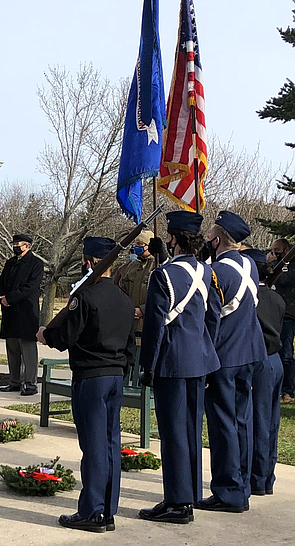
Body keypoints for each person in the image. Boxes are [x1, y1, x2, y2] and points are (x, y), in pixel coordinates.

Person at [37, 237, 135, 533]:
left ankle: (92, 512)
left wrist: (46, 336)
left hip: (91, 377)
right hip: (115, 376)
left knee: (93, 445)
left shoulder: (85, 296)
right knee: (110, 443)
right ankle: (108, 510)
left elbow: (66, 336)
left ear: (89, 262)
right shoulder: (124, 298)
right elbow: (130, 344)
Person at [137, 211, 221, 524]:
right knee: (190, 431)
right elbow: (212, 318)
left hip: (171, 362)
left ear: (173, 238)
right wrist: (204, 350)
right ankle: (188, 494)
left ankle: (177, 502)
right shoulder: (205, 272)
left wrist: (149, 365)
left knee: (173, 433)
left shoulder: (164, 275)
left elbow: (155, 324)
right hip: (198, 360)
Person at [198, 211, 267, 513]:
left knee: (223, 424)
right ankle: (242, 487)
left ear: (216, 239)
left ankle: (228, 490)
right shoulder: (249, 264)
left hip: (225, 354)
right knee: (242, 421)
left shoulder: (216, 272)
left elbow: (210, 318)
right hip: (250, 351)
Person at [244, 248, 285, 496]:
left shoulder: (253, 297)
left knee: (257, 421)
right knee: (271, 422)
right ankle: (267, 476)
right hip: (275, 360)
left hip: (259, 359)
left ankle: (257, 478)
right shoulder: (276, 297)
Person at [0, 233, 43, 396]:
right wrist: (3, 297)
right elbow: (1, 281)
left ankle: (30, 384)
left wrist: (11, 298)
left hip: (26, 311)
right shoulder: (10, 263)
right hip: (9, 311)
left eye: (19, 244)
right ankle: (14, 382)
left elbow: (30, 287)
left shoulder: (36, 264)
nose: (15, 246)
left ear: (27, 246)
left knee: (28, 349)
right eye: (14, 243)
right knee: (12, 348)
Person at [267, 238, 295, 404]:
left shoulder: (291, 265)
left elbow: (282, 279)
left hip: (288, 315)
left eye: (277, 250)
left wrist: (274, 265)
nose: (274, 254)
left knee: (286, 355)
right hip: (273, 314)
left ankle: (287, 391)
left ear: (285, 251)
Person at [116, 229, 155, 339]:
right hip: (130, 324)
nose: (136, 247)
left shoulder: (158, 266)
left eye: (140, 244)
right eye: (135, 244)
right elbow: (121, 290)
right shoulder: (132, 266)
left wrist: (143, 310)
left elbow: (161, 297)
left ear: (148, 246)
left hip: (149, 325)